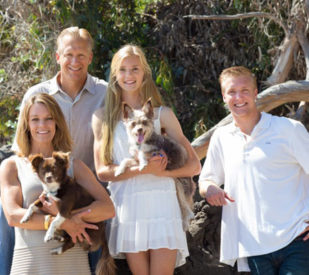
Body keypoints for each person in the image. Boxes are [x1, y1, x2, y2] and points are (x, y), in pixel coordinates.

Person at [0, 26, 107, 275]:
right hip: (40, 189)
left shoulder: (105, 94)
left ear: (90, 58)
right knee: (6, 216)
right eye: (68, 54)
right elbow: (22, 152)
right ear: (58, 56)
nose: (74, 61)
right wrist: (57, 217)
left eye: (81, 55)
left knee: (94, 237)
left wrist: (72, 215)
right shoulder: (37, 94)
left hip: (84, 189)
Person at [92, 44, 201, 275]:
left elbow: (194, 165)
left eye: (135, 69)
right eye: (122, 70)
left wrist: (163, 172)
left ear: (144, 73)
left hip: (163, 206)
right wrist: (143, 170)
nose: (129, 75)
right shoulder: (103, 117)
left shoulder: (163, 115)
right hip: (128, 207)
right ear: (114, 74)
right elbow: (102, 171)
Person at [199, 66, 309, 274]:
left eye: (245, 90)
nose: (238, 97)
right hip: (252, 246)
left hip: (297, 239)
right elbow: (206, 181)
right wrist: (210, 189)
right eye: (232, 92)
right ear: (224, 96)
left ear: (256, 92)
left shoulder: (288, 129)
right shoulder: (221, 137)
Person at [0, 93, 115, 275]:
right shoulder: (12, 166)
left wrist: (68, 216)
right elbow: (13, 216)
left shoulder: (73, 165)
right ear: (26, 125)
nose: (42, 125)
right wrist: (60, 222)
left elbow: (108, 208)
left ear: (57, 123)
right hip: (30, 264)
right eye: (35, 119)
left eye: (48, 119)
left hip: (73, 264)